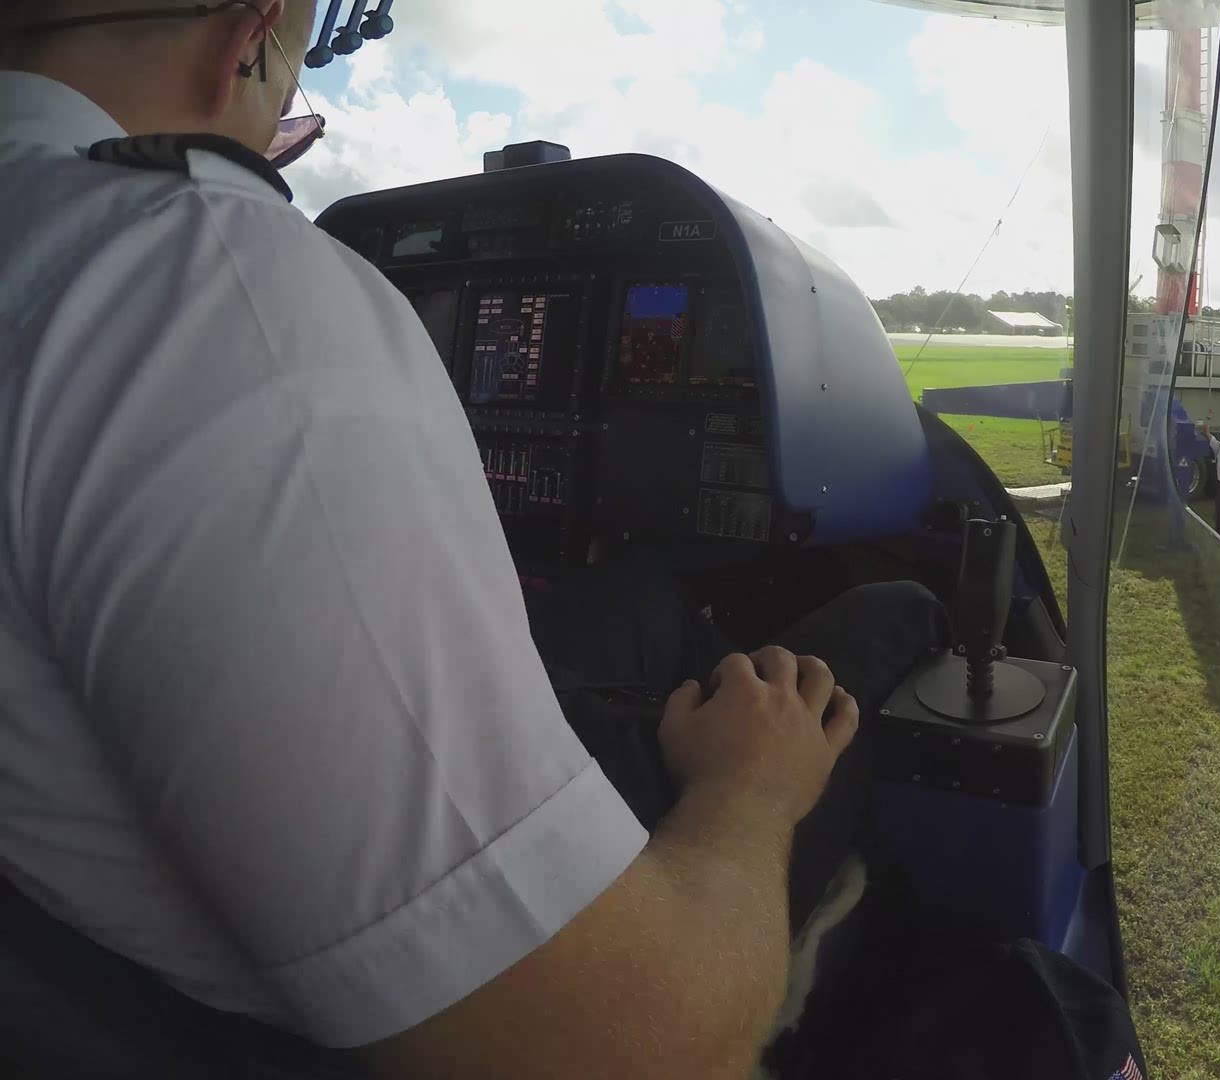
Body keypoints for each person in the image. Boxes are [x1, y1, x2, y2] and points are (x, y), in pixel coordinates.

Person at [0, 3, 933, 1075]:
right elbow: (634, 1050)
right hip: (510, 985)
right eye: (287, 116)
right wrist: (750, 790)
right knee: (888, 613)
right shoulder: (205, 279)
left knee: (639, 598)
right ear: (247, 40)